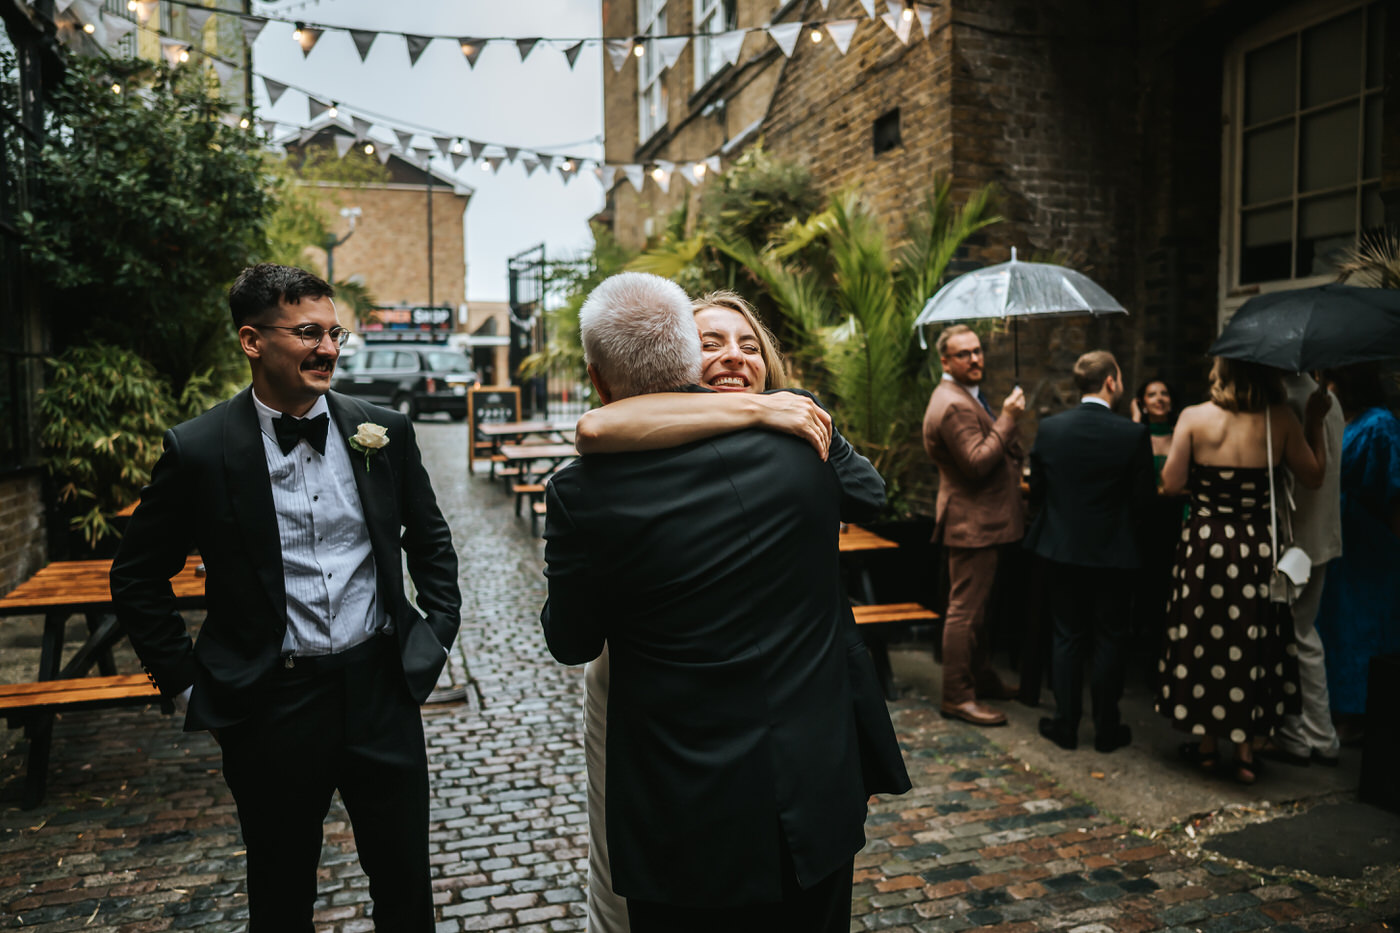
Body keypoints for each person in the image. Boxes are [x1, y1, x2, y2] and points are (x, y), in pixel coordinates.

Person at [110, 264, 461, 930]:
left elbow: (432, 542)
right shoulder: (199, 448)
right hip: (271, 702)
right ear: (251, 340)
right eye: (306, 333)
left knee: (406, 886)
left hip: (379, 689)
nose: (327, 348)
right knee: (280, 892)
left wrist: (434, 634)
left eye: (333, 333)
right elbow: (134, 576)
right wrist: (191, 688)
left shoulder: (381, 431)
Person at [541, 272, 885, 932]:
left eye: (747, 343)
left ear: (598, 374)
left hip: (684, 807)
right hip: (812, 791)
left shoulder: (582, 492)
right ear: (683, 360)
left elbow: (572, 639)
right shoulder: (800, 449)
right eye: (712, 341)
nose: (734, 356)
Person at [1157, 357, 1327, 785]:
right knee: (1250, 636)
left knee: (1204, 636)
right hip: (1254, 545)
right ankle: (1247, 750)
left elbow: (1172, 484)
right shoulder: (1282, 419)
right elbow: (1314, 477)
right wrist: (1315, 423)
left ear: (1222, 370)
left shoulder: (1194, 417)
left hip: (1205, 544)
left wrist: (1211, 494)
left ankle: (1209, 745)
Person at [1025, 351, 1155, 752]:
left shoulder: (1050, 429)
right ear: (1112, 382)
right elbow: (1144, 502)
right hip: (1114, 553)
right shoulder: (1132, 434)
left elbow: (1038, 496)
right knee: (1110, 638)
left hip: (1062, 549)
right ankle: (1106, 729)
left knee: (1067, 636)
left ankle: (1065, 725)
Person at [921, 323, 1024, 726]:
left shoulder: (965, 396)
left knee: (979, 609)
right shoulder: (952, 404)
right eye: (964, 354)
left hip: (984, 520)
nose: (975, 358)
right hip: (972, 522)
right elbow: (977, 462)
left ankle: (980, 677)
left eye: (978, 351)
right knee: (964, 611)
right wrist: (1010, 417)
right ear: (945, 361)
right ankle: (957, 697)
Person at [1260, 372, 1344, 767]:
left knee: (1292, 637)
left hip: (1295, 540)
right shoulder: (1328, 399)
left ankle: (1302, 736)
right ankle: (1318, 735)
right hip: (1322, 534)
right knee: (1304, 634)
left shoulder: (1285, 400)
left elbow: (1303, 475)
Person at [1313, 365, 1400, 745]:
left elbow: (1393, 487)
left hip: (1368, 541)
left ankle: (1359, 713)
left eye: (1328, 380)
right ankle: (1337, 707)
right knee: (1336, 622)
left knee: (1362, 626)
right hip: (1339, 538)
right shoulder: (1344, 419)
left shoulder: (1379, 424)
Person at [1131, 378, 1179, 482]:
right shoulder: (1138, 435)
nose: (1159, 398)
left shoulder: (1180, 434)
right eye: (1152, 395)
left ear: (1171, 401)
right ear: (1143, 404)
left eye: (1164, 394)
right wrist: (1136, 417)